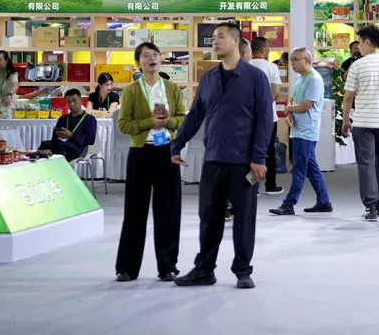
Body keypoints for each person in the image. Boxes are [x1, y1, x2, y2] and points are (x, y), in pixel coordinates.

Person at [170, 22, 274, 289]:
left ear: (236, 41)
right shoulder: (209, 78)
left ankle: (243, 270)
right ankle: (204, 270)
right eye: (213, 38)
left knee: (244, 218)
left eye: (220, 37)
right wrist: (177, 144)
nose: (214, 41)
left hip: (244, 162)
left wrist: (259, 157)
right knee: (209, 217)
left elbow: (264, 120)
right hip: (214, 159)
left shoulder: (255, 78)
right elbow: (196, 114)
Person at [115, 42, 185, 282]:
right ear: (139, 63)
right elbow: (123, 125)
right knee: (135, 210)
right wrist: (149, 123)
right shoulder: (131, 91)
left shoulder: (172, 88)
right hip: (141, 153)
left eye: (155, 54)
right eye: (146, 55)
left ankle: (168, 267)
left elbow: (181, 119)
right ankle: (127, 267)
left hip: (167, 152)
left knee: (168, 211)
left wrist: (168, 122)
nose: (152, 58)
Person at [343, 25, 379, 222]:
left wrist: (346, 119)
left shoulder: (357, 66)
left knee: (366, 164)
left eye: (359, 43)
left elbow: (348, 97)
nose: (358, 47)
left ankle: (370, 206)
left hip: (363, 123)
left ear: (367, 42)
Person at [270, 47, 332, 216]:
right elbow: (293, 101)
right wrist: (289, 113)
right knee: (311, 168)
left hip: (306, 131)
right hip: (298, 130)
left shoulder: (314, 79)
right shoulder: (299, 79)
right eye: (291, 60)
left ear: (307, 60)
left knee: (298, 169)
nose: (292, 63)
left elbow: (306, 105)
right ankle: (324, 201)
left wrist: (289, 109)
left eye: (295, 60)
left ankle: (288, 204)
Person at [243, 36, 283, 195]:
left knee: (249, 150)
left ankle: (252, 187)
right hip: (269, 117)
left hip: (248, 116)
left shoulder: (245, 66)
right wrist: (263, 106)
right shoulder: (272, 67)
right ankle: (270, 185)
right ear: (264, 50)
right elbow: (276, 92)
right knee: (269, 150)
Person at [37, 88, 97, 162]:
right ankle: (43, 164)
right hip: (59, 145)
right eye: (69, 102)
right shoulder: (63, 119)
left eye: (74, 101)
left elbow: (90, 140)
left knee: (57, 152)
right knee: (44, 146)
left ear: (81, 100)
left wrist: (71, 135)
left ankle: (53, 164)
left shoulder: (89, 119)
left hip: (75, 149)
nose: (72, 104)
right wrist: (58, 134)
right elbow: (54, 139)